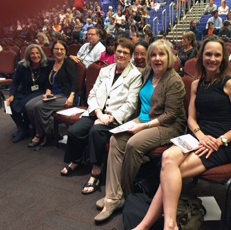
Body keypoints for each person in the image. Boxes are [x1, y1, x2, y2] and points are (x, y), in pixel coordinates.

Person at [132, 35, 231, 230]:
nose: (212, 59)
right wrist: (200, 135)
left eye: (217, 55)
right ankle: (166, 225)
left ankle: (154, 225)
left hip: (221, 143)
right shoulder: (196, 84)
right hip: (199, 137)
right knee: (168, 157)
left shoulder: (230, 83)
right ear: (201, 56)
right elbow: (191, 119)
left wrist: (219, 141)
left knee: (170, 172)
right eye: (208, 54)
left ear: (223, 58)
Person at [94, 39, 187, 222]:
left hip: (167, 126)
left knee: (133, 144)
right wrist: (133, 122)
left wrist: (142, 126)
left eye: (161, 54)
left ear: (169, 57)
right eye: (153, 55)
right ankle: (113, 197)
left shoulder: (175, 81)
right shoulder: (147, 73)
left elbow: (170, 115)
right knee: (115, 140)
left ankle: (127, 196)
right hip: (142, 120)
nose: (157, 58)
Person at [61, 38, 142, 195]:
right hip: (96, 111)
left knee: (95, 132)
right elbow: (92, 94)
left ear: (130, 56)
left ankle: (96, 171)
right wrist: (98, 112)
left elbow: (131, 104)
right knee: (74, 131)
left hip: (116, 117)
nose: (121, 55)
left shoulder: (135, 75)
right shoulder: (105, 70)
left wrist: (110, 118)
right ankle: (77, 159)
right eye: (119, 51)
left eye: (125, 53)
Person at [26, 40, 79, 148]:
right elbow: (49, 82)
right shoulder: (51, 63)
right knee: (29, 106)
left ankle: (42, 134)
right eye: (56, 49)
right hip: (53, 95)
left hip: (66, 96)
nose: (59, 51)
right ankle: (46, 131)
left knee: (38, 106)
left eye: (62, 49)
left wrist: (72, 96)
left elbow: (75, 81)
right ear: (52, 50)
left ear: (65, 51)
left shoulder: (68, 63)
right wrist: (48, 91)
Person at [6, 44, 49, 143]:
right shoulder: (22, 67)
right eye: (32, 53)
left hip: (40, 92)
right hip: (26, 91)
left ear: (41, 54)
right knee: (10, 104)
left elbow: (61, 59)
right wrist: (11, 96)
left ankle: (24, 129)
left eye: (37, 53)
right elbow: (15, 83)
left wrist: (72, 57)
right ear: (28, 55)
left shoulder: (46, 65)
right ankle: (23, 128)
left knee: (24, 105)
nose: (35, 56)